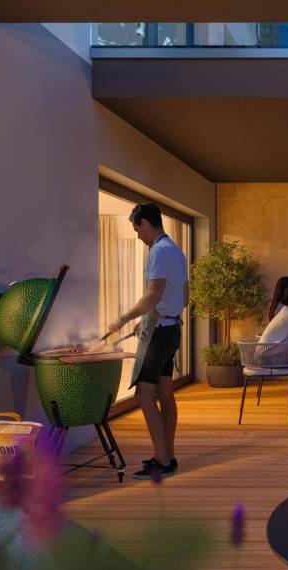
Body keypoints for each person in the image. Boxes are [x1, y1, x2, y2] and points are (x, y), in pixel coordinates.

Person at [107, 202, 188, 480]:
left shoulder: (158, 252)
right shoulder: (176, 251)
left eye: (137, 230)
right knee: (165, 392)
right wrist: (152, 315)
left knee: (143, 394)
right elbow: (185, 297)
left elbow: (153, 294)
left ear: (145, 223)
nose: (138, 236)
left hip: (159, 332)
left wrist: (123, 318)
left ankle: (161, 459)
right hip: (172, 328)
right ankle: (169, 455)